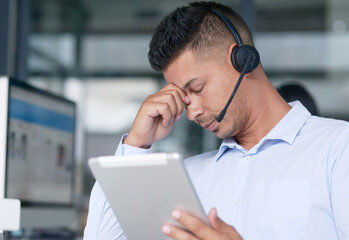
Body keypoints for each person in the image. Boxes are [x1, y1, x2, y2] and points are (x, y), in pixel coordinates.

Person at [84, 2, 349, 240]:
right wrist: (136, 144)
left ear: (242, 60)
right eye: (183, 99)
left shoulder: (337, 149)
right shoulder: (188, 177)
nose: (192, 113)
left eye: (197, 88)